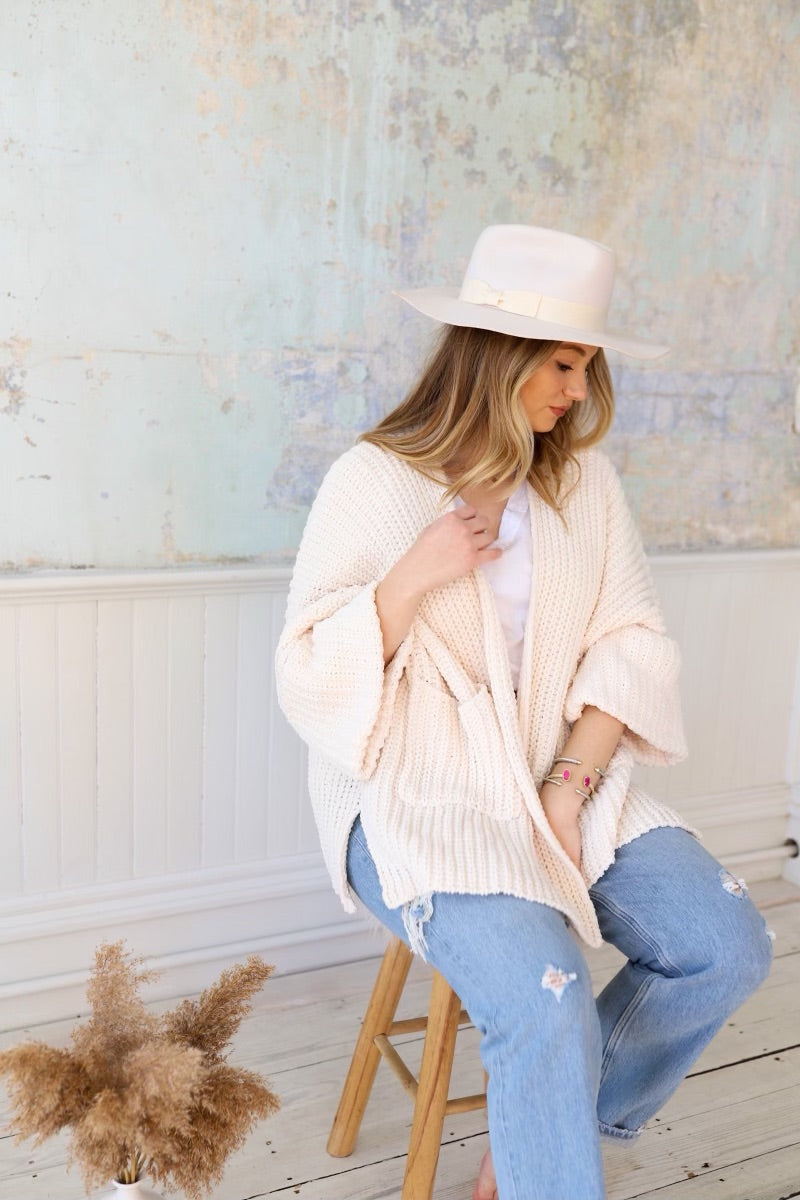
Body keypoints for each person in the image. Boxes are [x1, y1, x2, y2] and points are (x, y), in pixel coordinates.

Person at [275, 225, 772, 1200]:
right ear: (495, 356)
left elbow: (630, 642)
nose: (577, 392)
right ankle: (545, 1134)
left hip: (561, 770)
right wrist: (412, 576)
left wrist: (566, 788)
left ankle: (544, 1127)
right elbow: (305, 675)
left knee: (725, 947)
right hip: (416, 793)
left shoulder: (582, 483)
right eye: (562, 364)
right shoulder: (372, 480)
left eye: (586, 367)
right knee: (547, 1005)